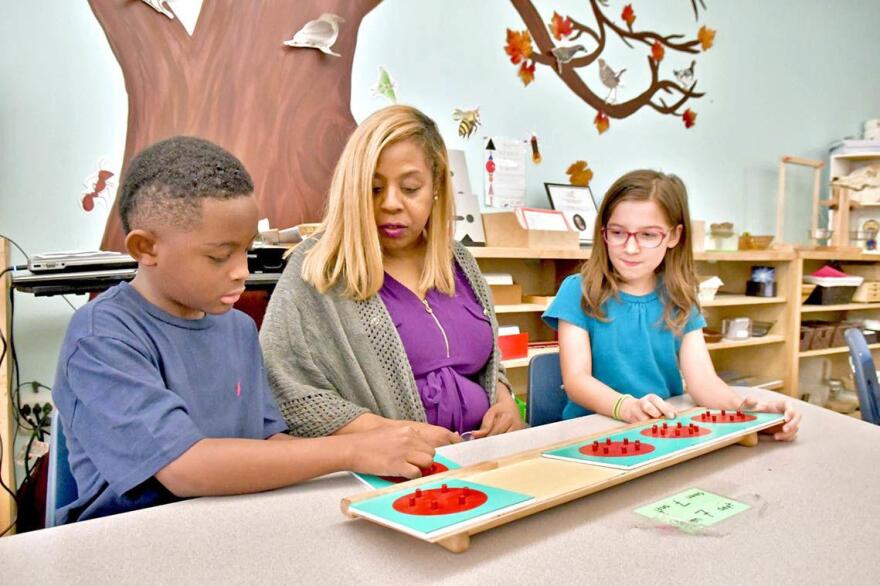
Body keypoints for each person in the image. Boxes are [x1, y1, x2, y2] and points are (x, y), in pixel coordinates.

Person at [52, 136, 434, 523]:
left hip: (235, 522)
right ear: (146, 248)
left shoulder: (237, 327)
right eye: (219, 256)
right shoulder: (102, 336)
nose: (242, 271)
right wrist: (352, 450)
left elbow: (267, 441)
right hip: (135, 540)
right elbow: (184, 467)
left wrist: (373, 453)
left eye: (246, 250)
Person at [261, 105, 525, 447]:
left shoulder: (459, 260)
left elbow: (489, 364)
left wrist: (503, 400)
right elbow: (286, 389)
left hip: (479, 458)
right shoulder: (318, 266)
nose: (391, 204)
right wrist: (390, 434)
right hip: (381, 477)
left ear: (436, 187)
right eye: (374, 189)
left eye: (411, 188)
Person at [542, 169, 800, 440]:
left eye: (648, 235)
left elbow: (702, 382)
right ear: (603, 231)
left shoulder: (679, 296)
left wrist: (751, 412)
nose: (630, 248)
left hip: (659, 429)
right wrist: (627, 407)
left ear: (674, 236)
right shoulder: (578, 290)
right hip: (591, 433)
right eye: (618, 232)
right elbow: (576, 380)